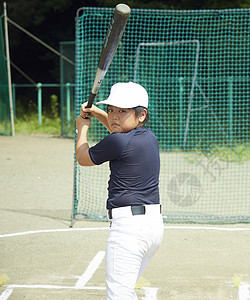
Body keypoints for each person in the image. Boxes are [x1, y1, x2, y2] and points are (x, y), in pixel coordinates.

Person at [75, 82, 164, 300]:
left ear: (141, 114)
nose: (114, 116)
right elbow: (118, 131)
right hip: (152, 228)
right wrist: (97, 113)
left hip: (128, 231)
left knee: (119, 296)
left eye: (122, 111)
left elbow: (83, 158)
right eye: (111, 110)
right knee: (124, 292)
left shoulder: (118, 141)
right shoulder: (148, 137)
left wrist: (82, 128)